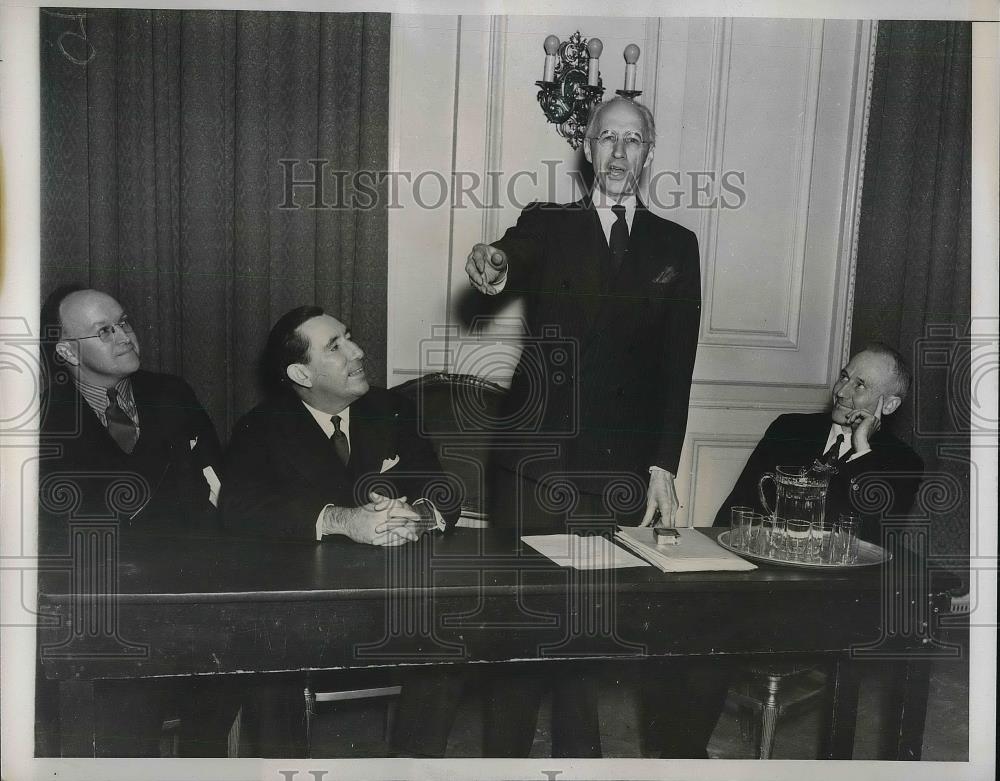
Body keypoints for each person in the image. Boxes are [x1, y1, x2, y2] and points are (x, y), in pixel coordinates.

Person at [465, 96, 701, 757]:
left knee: (586, 630)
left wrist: (662, 463)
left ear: (648, 154)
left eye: (633, 140)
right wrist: (494, 266)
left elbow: (675, 366)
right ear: (587, 149)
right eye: (608, 139)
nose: (619, 152)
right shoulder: (549, 223)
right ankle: (502, 764)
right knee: (521, 624)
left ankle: (581, 761)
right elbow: (512, 256)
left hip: (614, 467)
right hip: (532, 460)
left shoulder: (676, 245)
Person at [644, 344, 924, 759]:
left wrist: (862, 453)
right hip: (756, 586)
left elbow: (869, 540)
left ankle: (679, 755)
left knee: (711, 628)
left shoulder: (901, 464)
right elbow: (733, 515)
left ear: (889, 403)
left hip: (825, 606)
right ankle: (679, 755)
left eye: (860, 384)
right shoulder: (788, 428)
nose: (842, 391)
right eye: (844, 375)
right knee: (680, 617)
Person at [220, 305, 462, 756]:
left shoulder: (392, 409)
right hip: (306, 612)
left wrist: (420, 515)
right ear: (301, 372)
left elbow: (444, 488)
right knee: (269, 669)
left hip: (393, 607)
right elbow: (239, 509)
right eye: (335, 346)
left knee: (445, 653)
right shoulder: (261, 427)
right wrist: (344, 520)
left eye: (348, 336)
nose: (358, 350)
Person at [37, 286, 229, 757]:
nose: (124, 336)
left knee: (229, 689)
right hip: (102, 610)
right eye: (104, 331)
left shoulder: (172, 392)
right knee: (124, 731)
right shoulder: (39, 417)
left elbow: (217, 486)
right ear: (66, 351)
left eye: (124, 322)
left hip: (191, 593)